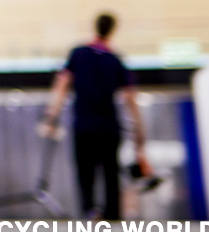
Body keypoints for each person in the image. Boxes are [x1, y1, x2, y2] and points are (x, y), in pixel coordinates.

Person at [41, 12, 151, 220]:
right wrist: (140, 130)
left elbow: (62, 86)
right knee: (111, 172)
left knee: (85, 173)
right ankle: (112, 217)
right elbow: (130, 99)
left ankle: (89, 212)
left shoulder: (78, 54)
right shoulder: (115, 60)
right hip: (109, 126)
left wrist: (51, 117)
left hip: (83, 125)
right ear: (112, 30)